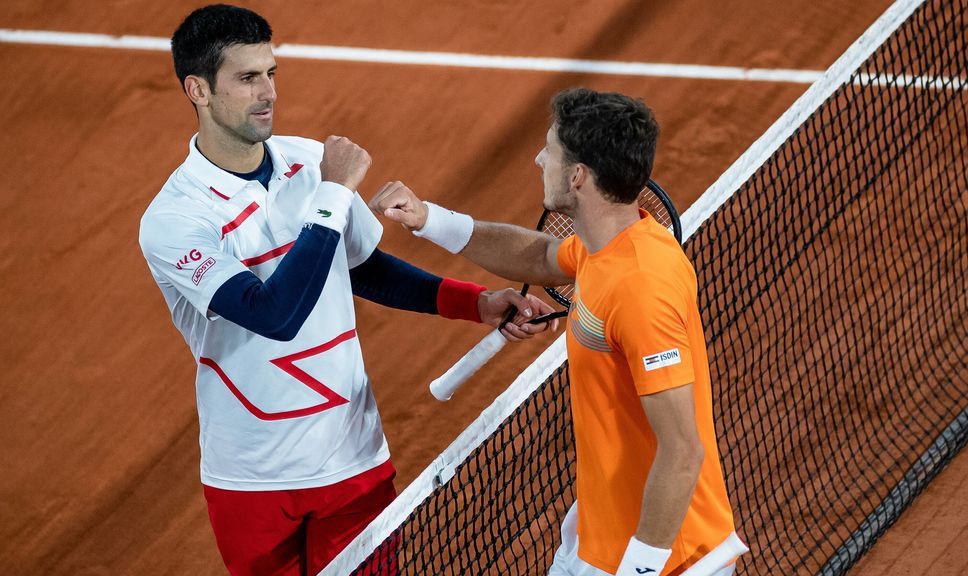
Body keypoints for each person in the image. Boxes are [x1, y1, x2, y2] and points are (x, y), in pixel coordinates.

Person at [137, 5, 554, 575]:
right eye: (246, 77)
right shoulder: (176, 217)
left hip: (353, 458)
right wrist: (332, 195)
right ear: (198, 90)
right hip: (252, 479)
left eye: (271, 73)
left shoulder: (311, 162)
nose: (267, 94)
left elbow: (363, 267)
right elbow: (274, 314)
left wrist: (475, 302)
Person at [370, 88, 749, 576]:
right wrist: (430, 221)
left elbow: (682, 450)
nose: (538, 158)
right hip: (599, 530)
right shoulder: (606, 244)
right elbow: (538, 257)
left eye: (549, 150)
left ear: (577, 176)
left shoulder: (641, 289)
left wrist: (640, 571)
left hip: (665, 557)